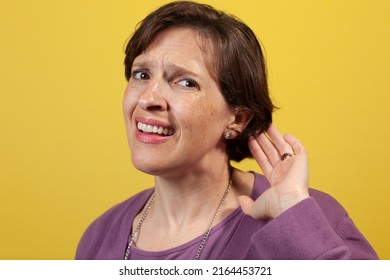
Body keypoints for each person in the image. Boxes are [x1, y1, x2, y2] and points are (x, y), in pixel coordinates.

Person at [76, 1, 378, 260]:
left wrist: (293, 213)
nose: (147, 98)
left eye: (185, 82)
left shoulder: (309, 219)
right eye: (141, 74)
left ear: (239, 119)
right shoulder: (99, 237)